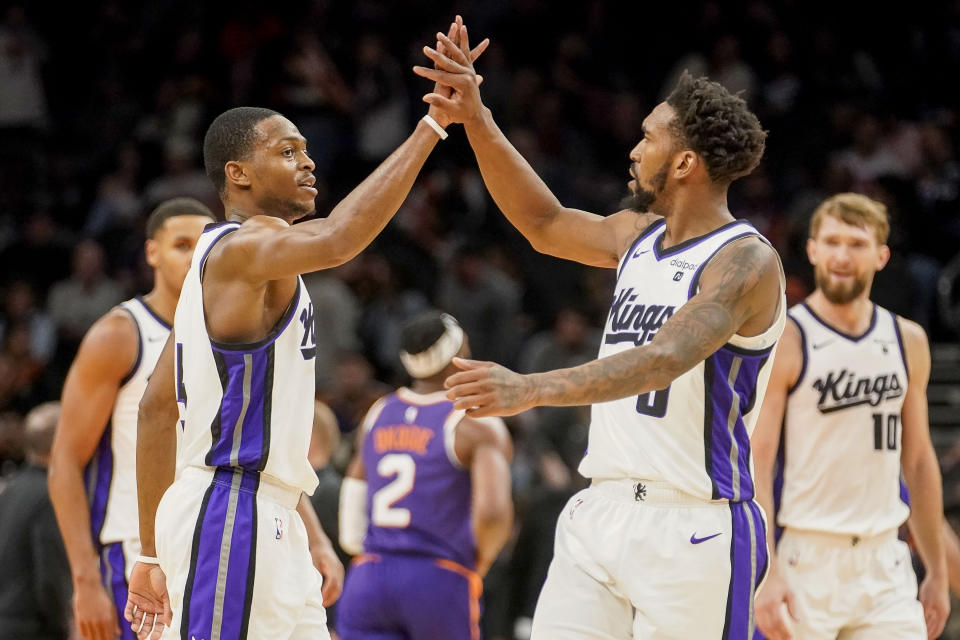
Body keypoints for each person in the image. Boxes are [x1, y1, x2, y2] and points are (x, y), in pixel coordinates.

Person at [125, 20, 490, 640]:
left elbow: (159, 410)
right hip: (229, 510)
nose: (308, 160)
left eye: (305, 148)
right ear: (238, 174)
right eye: (287, 151)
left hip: (272, 516)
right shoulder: (246, 245)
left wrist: (157, 553)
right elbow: (341, 239)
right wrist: (433, 127)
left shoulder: (220, 271)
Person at [417, 31, 784, 639]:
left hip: (693, 523)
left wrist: (528, 388)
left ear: (686, 162)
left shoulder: (744, 261)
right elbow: (543, 222)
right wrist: (476, 119)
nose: (634, 150)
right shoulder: (637, 233)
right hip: (601, 507)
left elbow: (664, 357)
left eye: (648, 138)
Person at [752, 193, 950, 640]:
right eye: (833, 242)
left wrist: (936, 572)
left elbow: (917, 461)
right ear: (812, 250)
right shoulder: (789, 336)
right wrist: (766, 569)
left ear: (881, 256)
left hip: (885, 562)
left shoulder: (908, 339)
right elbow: (757, 460)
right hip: (807, 558)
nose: (843, 256)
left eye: (857, 244)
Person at [47, 197, 214, 640]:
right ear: (152, 253)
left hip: (212, 542)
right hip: (134, 550)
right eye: (182, 244)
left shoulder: (229, 333)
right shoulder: (120, 333)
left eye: (205, 246)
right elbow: (64, 461)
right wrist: (85, 581)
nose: (196, 256)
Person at [335, 310, 513, 640]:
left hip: (370, 575)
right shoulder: (476, 423)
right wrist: (481, 561)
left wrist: (365, 551)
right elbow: (493, 513)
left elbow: (352, 503)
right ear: (458, 356)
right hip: (437, 576)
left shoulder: (378, 412)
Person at [0, 402, 72, 640]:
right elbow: (50, 577)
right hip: (32, 629)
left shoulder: (11, 487)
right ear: (63, 439)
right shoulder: (48, 494)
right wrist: (63, 626)